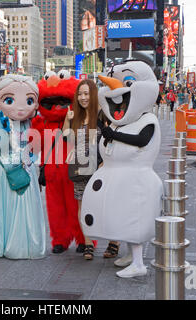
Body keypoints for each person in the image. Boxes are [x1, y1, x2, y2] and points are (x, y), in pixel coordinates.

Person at [81, 61, 163, 278]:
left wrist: (113, 135)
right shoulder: (118, 123)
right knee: (124, 219)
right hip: (119, 179)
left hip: (137, 180)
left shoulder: (148, 119)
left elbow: (141, 140)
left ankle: (138, 263)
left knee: (134, 220)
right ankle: (129, 255)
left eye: (128, 82)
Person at [62, 79, 120, 260]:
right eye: (80, 94)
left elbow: (112, 140)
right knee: (82, 205)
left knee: (106, 206)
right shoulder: (76, 116)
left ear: (93, 95)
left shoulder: (102, 115)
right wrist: (67, 119)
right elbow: (67, 138)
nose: (83, 97)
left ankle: (114, 243)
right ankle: (88, 244)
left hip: (101, 168)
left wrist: (105, 163)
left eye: (86, 93)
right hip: (80, 167)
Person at [0, 75, 46, 260]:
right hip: (7, 170)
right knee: (9, 206)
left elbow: (36, 147)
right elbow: (1, 148)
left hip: (27, 168)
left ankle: (29, 244)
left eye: (29, 101)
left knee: (28, 206)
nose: (21, 107)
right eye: (9, 100)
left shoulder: (33, 123)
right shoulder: (0, 122)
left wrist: (29, 159)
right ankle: (10, 244)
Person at [31, 70, 86, 254]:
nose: (56, 107)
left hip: (74, 171)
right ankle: (60, 239)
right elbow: (34, 147)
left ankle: (83, 239)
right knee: (55, 208)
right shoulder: (41, 123)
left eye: (61, 102)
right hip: (51, 172)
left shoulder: (78, 120)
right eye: (50, 103)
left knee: (76, 205)